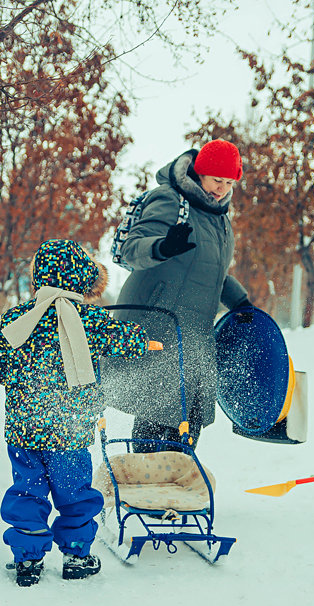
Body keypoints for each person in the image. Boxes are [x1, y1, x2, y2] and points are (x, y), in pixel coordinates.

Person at [0, 239, 148, 587]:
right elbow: (120, 338)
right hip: (69, 432)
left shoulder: (18, 318)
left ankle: (28, 560)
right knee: (75, 493)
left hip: (24, 430)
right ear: (82, 279)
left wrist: (21, 379)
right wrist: (142, 341)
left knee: (28, 492)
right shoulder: (90, 319)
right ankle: (76, 554)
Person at [104, 139, 252, 451]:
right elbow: (133, 248)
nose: (222, 189)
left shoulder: (220, 219)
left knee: (187, 423)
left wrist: (240, 302)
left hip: (194, 334)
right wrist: (162, 247)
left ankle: (175, 491)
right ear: (200, 173)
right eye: (216, 180)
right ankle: (145, 490)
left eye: (229, 182)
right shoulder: (170, 200)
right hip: (158, 323)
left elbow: (213, 270)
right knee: (157, 414)